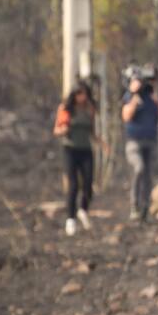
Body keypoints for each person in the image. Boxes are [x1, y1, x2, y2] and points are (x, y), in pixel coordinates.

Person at [121, 65, 158, 222]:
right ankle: (134, 206)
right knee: (139, 169)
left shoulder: (155, 96)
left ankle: (145, 210)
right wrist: (133, 95)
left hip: (151, 141)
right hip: (134, 142)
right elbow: (126, 116)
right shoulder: (131, 95)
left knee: (148, 177)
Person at [53, 81, 106, 236]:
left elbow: (92, 131)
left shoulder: (89, 109)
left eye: (84, 94)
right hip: (70, 149)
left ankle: (83, 210)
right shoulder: (66, 109)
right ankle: (70, 219)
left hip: (86, 149)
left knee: (89, 183)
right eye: (79, 94)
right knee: (74, 185)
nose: (81, 97)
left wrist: (103, 145)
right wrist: (64, 129)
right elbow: (56, 130)